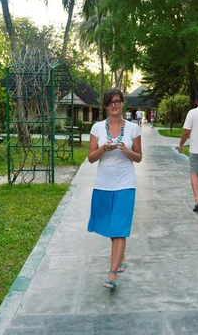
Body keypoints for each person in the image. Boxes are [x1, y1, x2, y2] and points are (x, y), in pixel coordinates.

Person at [87, 89, 143, 290]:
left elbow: (139, 157)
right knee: (112, 227)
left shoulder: (133, 129)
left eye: (118, 101)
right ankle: (120, 256)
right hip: (103, 184)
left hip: (126, 183)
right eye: (110, 102)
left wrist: (127, 151)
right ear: (105, 106)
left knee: (119, 227)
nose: (114, 105)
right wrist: (104, 149)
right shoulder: (97, 128)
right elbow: (91, 158)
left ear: (122, 104)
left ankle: (111, 274)